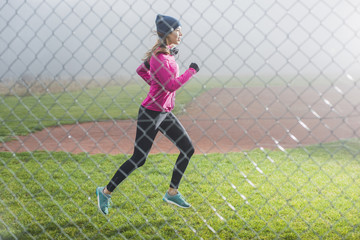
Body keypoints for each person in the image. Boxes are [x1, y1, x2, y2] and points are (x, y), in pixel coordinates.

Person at [96, 14, 200, 215]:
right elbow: (170, 85)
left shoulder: (165, 53)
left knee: (187, 149)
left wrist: (155, 83)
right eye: (178, 30)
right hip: (150, 113)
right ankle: (105, 192)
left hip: (165, 112)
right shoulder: (159, 57)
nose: (181, 33)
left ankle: (172, 192)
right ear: (168, 32)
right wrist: (191, 71)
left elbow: (141, 70)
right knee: (139, 158)